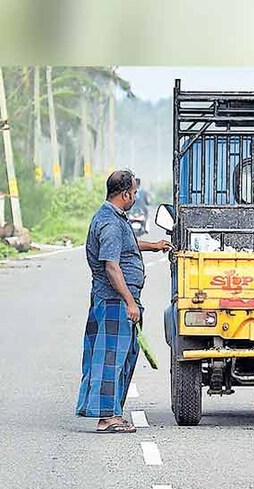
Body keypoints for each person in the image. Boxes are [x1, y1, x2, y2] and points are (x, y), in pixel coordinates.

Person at [76, 170, 171, 433]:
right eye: (134, 193)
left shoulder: (114, 218)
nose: (135, 198)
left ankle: (111, 412)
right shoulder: (108, 222)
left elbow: (124, 246)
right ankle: (107, 418)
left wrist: (153, 246)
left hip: (114, 299)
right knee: (111, 358)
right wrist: (129, 301)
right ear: (125, 193)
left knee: (121, 356)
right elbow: (112, 267)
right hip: (114, 300)